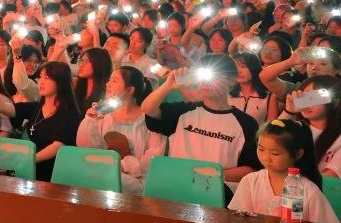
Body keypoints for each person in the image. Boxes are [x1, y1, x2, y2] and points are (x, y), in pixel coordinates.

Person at [142, 54, 261, 183]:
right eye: (203, 77)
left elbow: (250, 169)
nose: (206, 83)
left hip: (218, 190)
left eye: (214, 77)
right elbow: (148, 109)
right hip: (177, 186)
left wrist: (207, 174)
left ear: (232, 80)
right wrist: (168, 86)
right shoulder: (183, 112)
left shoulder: (246, 124)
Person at [228, 119, 338, 223]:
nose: (265, 157)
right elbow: (239, 221)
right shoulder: (250, 182)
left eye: (275, 153)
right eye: (261, 149)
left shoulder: (308, 191)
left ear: (298, 154)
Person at [76, 66, 166, 194]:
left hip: (139, 179)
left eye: (114, 80)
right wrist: (90, 118)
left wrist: (124, 166)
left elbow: (154, 156)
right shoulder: (102, 112)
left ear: (130, 89)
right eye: (109, 80)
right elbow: (85, 146)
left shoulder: (150, 117)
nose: (108, 84)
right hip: (103, 172)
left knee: (108, 179)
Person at [13, 62, 82, 182]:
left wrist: (29, 159)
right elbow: (1, 107)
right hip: (30, 168)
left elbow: (59, 145)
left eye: (47, 78)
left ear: (60, 82)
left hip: (55, 173)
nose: (41, 82)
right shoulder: (37, 108)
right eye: (40, 77)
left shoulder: (71, 113)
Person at [280, 75, 341, 177]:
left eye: (314, 98)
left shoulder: (338, 138)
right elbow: (268, 138)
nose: (307, 104)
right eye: (304, 97)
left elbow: (330, 176)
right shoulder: (295, 127)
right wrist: (288, 111)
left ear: (334, 101)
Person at [229, 52, 273, 124]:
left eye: (243, 66)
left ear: (254, 69)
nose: (239, 71)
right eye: (235, 67)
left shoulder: (269, 97)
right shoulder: (226, 94)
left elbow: (271, 127)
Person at [72, 48, 112, 113]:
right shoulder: (75, 83)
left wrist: (98, 109)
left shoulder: (109, 90)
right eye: (81, 61)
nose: (81, 65)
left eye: (86, 61)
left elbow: (98, 115)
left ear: (99, 63)